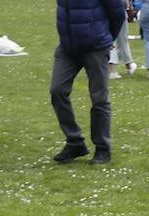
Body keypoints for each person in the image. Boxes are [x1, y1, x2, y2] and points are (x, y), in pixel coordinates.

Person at [51, 0, 122, 164]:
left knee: (99, 98)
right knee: (57, 90)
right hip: (67, 47)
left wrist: (106, 38)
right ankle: (75, 142)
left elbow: (118, 13)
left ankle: (103, 148)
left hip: (96, 46)